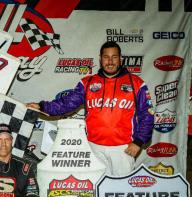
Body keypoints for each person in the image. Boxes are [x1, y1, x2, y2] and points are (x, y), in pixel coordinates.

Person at [27, 41, 154, 176]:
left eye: (114, 57)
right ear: (100, 59)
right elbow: (66, 104)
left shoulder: (136, 83)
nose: (110, 61)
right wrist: (42, 106)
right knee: (96, 189)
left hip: (123, 149)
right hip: (94, 147)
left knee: (120, 190)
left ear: (120, 59)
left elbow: (147, 115)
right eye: (106, 57)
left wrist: (138, 142)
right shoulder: (88, 83)